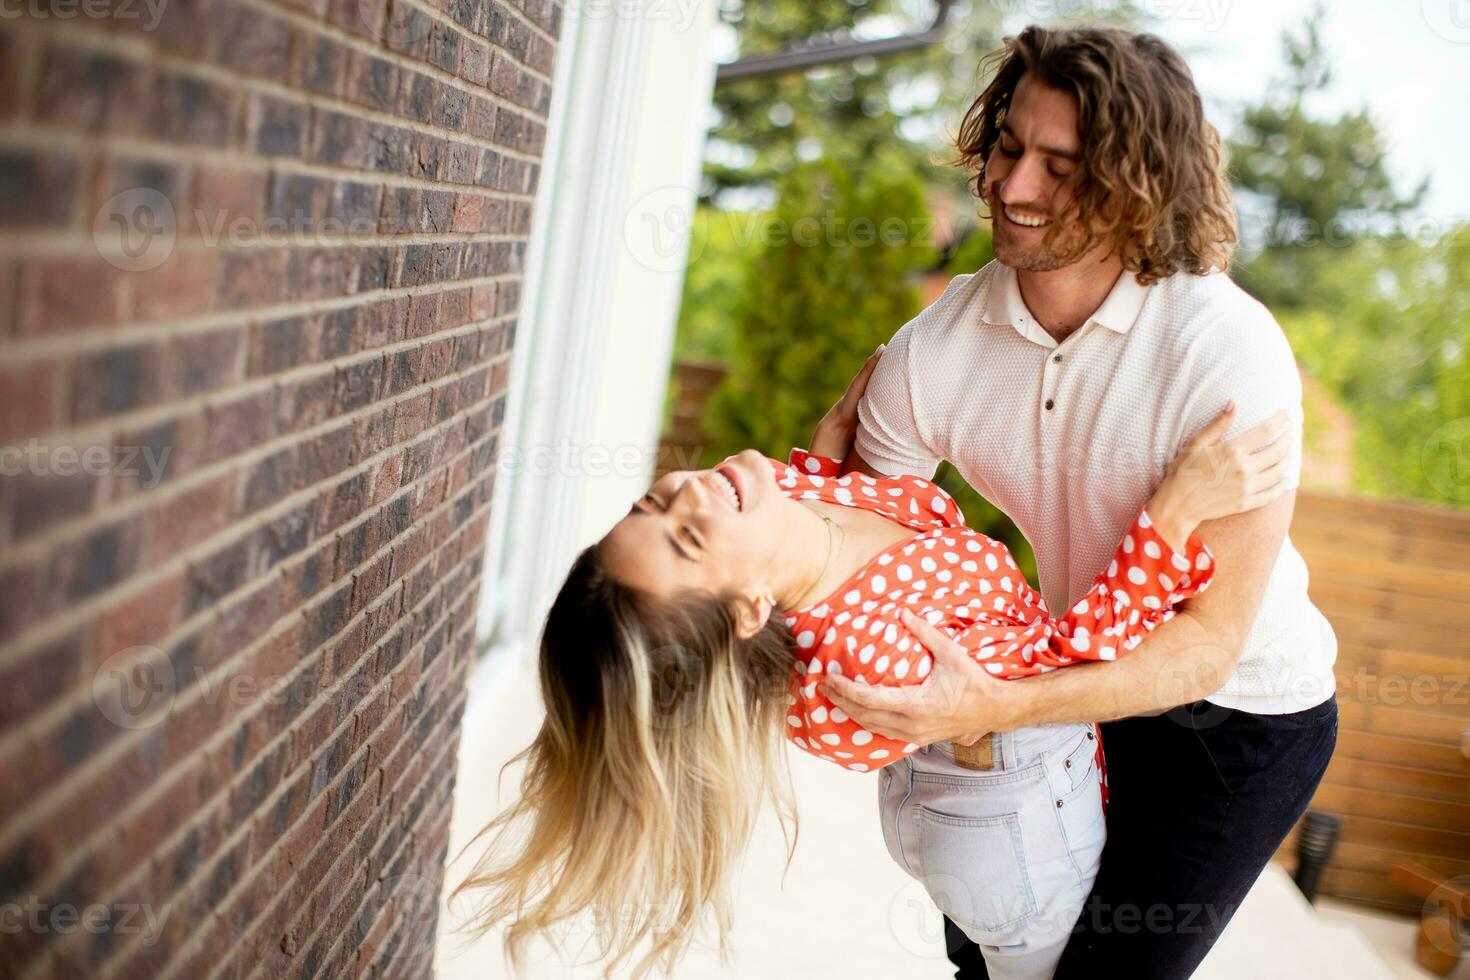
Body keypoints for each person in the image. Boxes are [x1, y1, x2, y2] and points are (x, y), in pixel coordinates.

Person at [450, 345, 1288, 980]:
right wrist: (1177, 511)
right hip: (1018, 847)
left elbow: (842, 527)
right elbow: (1066, 661)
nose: (692, 492)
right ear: (748, 610)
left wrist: (825, 464)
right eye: (690, 537)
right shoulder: (878, 657)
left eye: (654, 501)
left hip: (980, 795)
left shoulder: (799, 499)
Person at [818, 25, 1340, 979]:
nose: (1014, 190)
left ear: (1138, 182)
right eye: (1011, 148)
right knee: (991, 960)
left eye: (1061, 168)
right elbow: (873, 555)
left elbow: (1204, 645)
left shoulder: (1225, 353)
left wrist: (998, 703)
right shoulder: (935, 353)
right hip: (1072, 669)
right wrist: (820, 495)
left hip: (1239, 717)